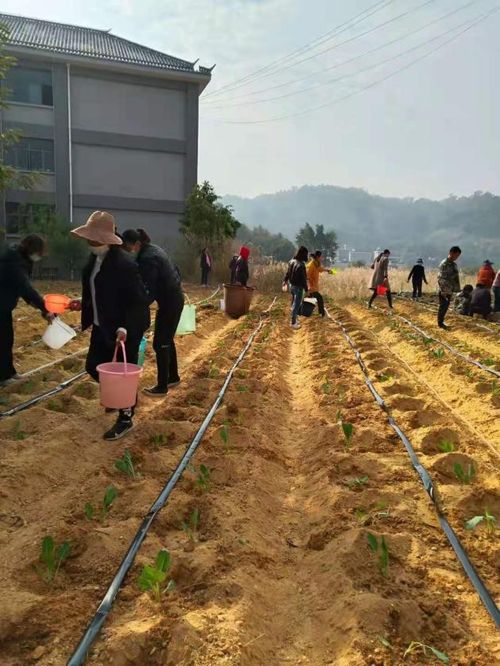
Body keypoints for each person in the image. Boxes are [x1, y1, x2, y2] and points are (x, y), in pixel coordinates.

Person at [69, 211, 150, 441]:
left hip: (123, 330)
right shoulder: (95, 259)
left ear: (105, 239)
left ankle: (126, 418)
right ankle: (121, 397)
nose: (89, 242)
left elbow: (138, 300)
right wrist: (82, 304)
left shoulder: (124, 264)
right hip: (101, 324)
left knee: (123, 376)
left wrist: (125, 327)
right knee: (93, 366)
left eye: (93, 238)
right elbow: (97, 290)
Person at [122, 228, 184, 396]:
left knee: (160, 343)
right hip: (173, 299)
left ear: (137, 244)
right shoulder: (154, 249)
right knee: (167, 340)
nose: (129, 251)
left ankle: (162, 386)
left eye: (129, 247)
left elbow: (148, 290)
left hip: (170, 302)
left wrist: (133, 306)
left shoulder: (148, 259)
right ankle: (173, 377)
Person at [0, 234, 53, 386]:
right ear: (33, 250)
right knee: (3, 340)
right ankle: (4, 377)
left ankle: (9, 372)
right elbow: (26, 288)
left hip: (4, 306)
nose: (40, 256)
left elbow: (23, 290)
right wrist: (44, 308)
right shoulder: (15, 263)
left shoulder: (17, 258)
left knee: (6, 339)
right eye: (40, 253)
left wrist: (42, 309)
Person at [283, 246, 308, 330]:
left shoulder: (291, 261)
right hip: (299, 287)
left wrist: (285, 280)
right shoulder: (301, 265)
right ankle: (293, 323)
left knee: (294, 302)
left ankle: (295, 319)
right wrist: (306, 289)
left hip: (292, 286)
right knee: (296, 305)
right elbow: (303, 279)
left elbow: (287, 273)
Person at [437, 246, 461, 330]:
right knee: (443, 306)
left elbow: (455, 277)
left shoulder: (453, 264)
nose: (456, 258)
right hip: (444, 289)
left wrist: (456, 289)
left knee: (445, 306)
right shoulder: (444, 264)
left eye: (458, 256)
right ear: (451, 253)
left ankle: (441, 322)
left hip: (450, 289)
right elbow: (440, 278)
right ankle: (440, 323)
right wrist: (444, 290)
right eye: (455, 255)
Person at [306, 250, 328, 317]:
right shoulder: (311, 265)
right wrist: (308, 287)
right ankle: (321, 313)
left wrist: (328, 270)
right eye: (321, 256)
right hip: (311, 287)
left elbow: (320, 269)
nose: (322, 258)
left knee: (310, 300)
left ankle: (307, 313)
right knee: (319, 298)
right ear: (318, 257)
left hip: (314, 287)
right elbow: (307, 276)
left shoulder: (316, 263)